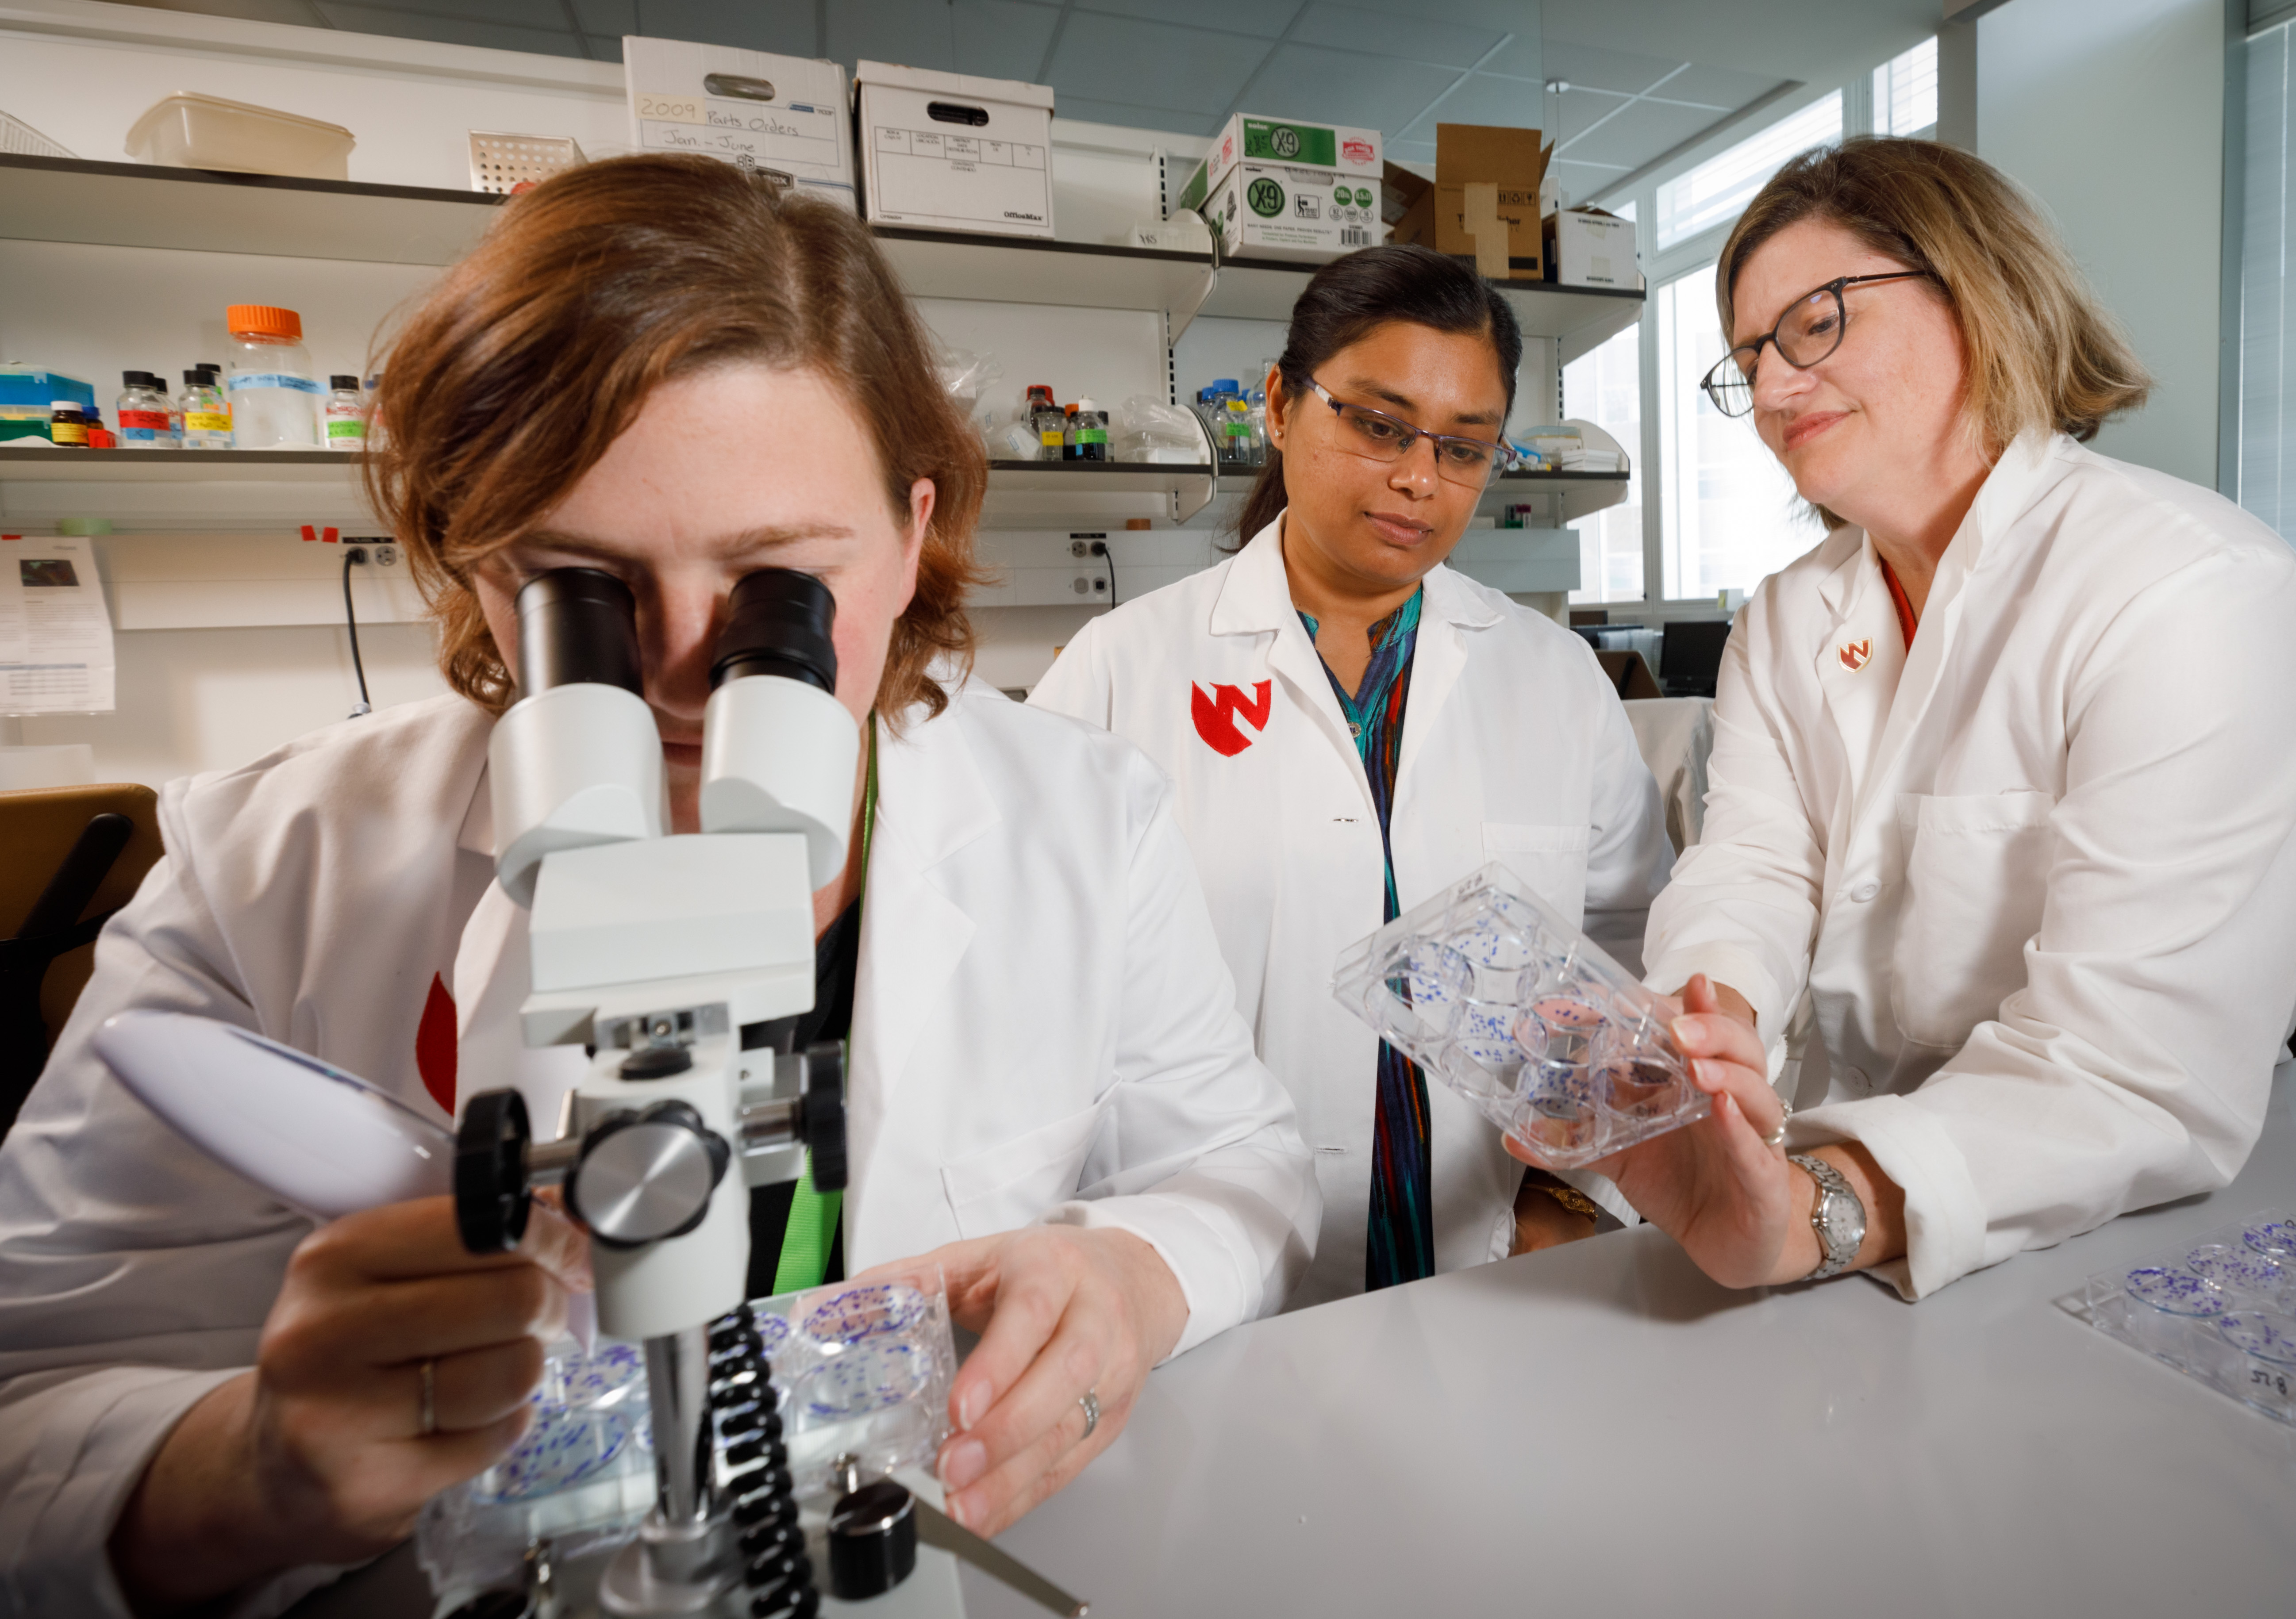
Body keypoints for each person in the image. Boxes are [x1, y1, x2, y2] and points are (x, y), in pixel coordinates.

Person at [0, 154, 1319, 1616]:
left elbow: (1239, 1172)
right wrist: (246, 1471)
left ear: (911, 532)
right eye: (579, 584)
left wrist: (1135, 1274)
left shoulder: (1080, 815)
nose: (687, 672)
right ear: (475, 556)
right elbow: (28, 1399)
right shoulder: (278, 860)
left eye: (778, 588)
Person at [1569, 138, 2296, 1298]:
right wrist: (1700, 1031)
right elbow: (1753, 870)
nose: (1773, 389)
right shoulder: (1786, 615)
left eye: (1817, 321)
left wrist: (1816, 1210)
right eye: (1748, 356)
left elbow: (2131, 1069)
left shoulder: (2186, 590)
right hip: (1824, 1193)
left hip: (2100, 1223)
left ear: (1981, 293)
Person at [1030, 245, 1670, 1306]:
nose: (1419, 477)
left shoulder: (1552, 679)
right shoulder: (1118, 671)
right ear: (1281, 406)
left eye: (1464, 448)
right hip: (1203, 1280)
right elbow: (1036, 999)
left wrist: (1574, 1189)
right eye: (1377, 425)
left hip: (1488, 1262)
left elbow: (1623, 954)